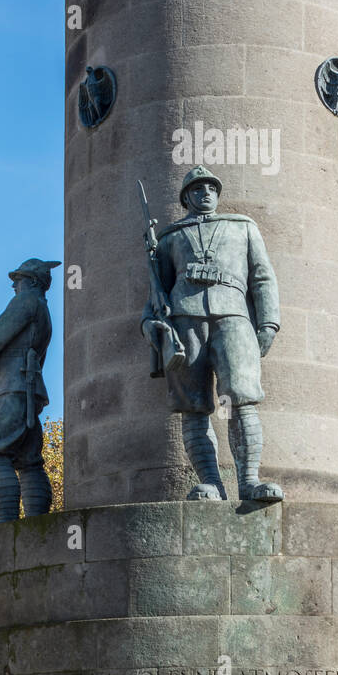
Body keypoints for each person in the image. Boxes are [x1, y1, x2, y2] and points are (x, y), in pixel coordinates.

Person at [141, 166, 282, 501]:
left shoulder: (243, 227)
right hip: (184, 322)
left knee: (242, 399)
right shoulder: (170, 238)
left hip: (233, 317)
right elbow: (155, 295)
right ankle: (212, 484)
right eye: (198, 188)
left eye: (210, 188)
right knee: (193, 408)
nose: (205, 192)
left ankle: (248, 482)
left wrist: (268, 323)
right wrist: (152, 328)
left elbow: (262, 277)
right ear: (186, 197)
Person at [0, 258, 60, 523]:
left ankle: (5, 525)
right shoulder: (43, 310)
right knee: (29, 460)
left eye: (18, 281)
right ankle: (36, 525)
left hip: (11, 388)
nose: (14, 287)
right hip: (28, 390)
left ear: (32, 282)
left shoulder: (26, 302)